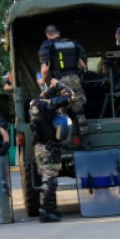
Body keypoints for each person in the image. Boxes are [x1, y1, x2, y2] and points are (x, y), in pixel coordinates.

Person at [38, 24, 90, 149]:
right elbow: (83, 65)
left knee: (61, 112)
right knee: (79, 112)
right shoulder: (74, 43)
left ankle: (64, 144)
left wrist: (42, 82)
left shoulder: (47, 45)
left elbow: (45, 68)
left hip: (61, 81)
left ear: (47, 35)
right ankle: (87, 143)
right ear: (59, 32)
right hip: (75, 79)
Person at [28, 82, 75, 223]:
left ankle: (49, 209)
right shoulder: (47, 106)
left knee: (46, 181)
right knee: (50, 181)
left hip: (39, 147)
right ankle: (46, 212)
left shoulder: (35, 105)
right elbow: (69, 96)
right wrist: (59, 86)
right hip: (49, 148)